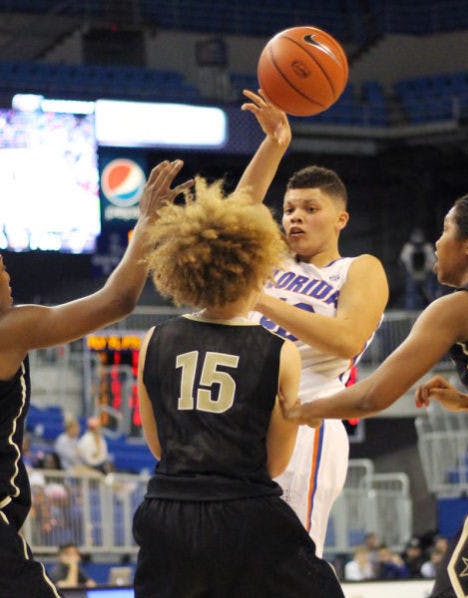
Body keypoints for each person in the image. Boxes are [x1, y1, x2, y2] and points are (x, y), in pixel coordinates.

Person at [285, 196, 468, 597]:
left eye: (446, 229)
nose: (436, 242)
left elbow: (372, 397)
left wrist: (302, 409)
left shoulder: (461, 305)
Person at [0, 159, 190, 597]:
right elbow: (118, 300)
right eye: (0, 267)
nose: (8, 276)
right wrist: (147, 222)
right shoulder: (0, 334)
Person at [132, 178, 344, 597]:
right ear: (258, 267)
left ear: (184, 267)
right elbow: (276, 463)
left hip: (167, 512)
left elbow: (159, 446)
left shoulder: (153, 339)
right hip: (245, 511)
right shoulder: (281, 351)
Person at [239, 89, 389, 557]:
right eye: (289, 209)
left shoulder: (358, 268)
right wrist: (275, 143)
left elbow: (346, 340)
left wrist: (261, 302)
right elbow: (238, 209)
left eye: (310, 209)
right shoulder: (272, 260)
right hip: (247, 412)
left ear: (340, 218)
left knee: (288, 561)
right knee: (240, 560)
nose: (295, 218)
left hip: (309, 415)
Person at [399, 227, 437, 308]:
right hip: (412, 274)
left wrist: (429, 273)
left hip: (426, 275)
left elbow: (433, 262)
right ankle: (411, 310)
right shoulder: (408, 247)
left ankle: (431, 309)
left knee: (430, 293)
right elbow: (403, 262)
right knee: (411, 293)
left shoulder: (428, 247)